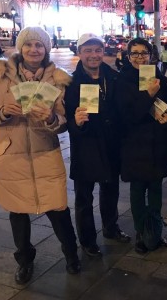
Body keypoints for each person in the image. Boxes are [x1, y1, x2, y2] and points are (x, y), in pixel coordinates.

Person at [0, 26, 81, 285]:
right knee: (17, 212)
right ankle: (24, 261)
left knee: (58, 208)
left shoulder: (57, 79)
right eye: (29, 45)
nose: (34, 50)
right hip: (10, 155)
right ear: (20, 48)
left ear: (46, 49)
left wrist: (53, 117)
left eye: (39, 45)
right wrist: (1, 111)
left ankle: (71, 254)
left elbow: (64, 123)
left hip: (46, 152)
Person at [64, 33, 130, 259]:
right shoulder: (71, 83)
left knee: (111, 191)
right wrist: (77, 123)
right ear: (80, 53)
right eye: (88, 50)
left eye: (98, 50)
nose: (94, 55)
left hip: (111, 145)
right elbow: (66, 123)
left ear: (104, 52)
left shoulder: (114, 77)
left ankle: (111, 228)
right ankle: (88, 240)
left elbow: (123, 111)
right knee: (84, 198)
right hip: (86, 147)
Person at [115, 37, 167, 253]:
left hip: (157, 143)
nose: (140, 57)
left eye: (144, 53)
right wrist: (148, 96)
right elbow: (126, 115)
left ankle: (155, 230)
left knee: (157, 188)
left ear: (151, 55)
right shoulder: (122, 81)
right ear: (128, 56)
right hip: (134, 144)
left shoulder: (159, 77)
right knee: (138, 189)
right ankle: (141, 231)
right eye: (135, 53)